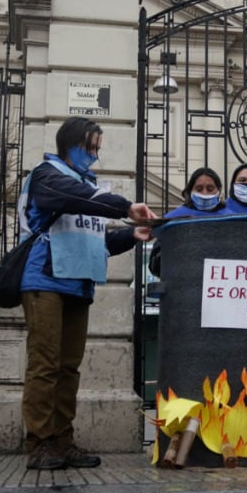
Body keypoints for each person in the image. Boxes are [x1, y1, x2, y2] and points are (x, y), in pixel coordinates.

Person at [18, 117, 156, 471]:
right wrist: (124, 206)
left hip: (78, 283)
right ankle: (39, 443)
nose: (94, 154)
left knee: (68, 368)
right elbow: (68, 197)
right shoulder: (47, 175)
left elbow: (96, 243)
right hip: (46, 280)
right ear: (71, 144)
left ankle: (62, 441)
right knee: (45, 365)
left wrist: (131, 234)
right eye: (89, 147)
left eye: (98, 148)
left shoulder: (89, 186)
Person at [163, 167, 227, 218]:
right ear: (191, 190)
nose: (204, 193)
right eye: (199, 189)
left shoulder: (230, 218)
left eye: (210, 189)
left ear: (219, 190)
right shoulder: (175, 218)